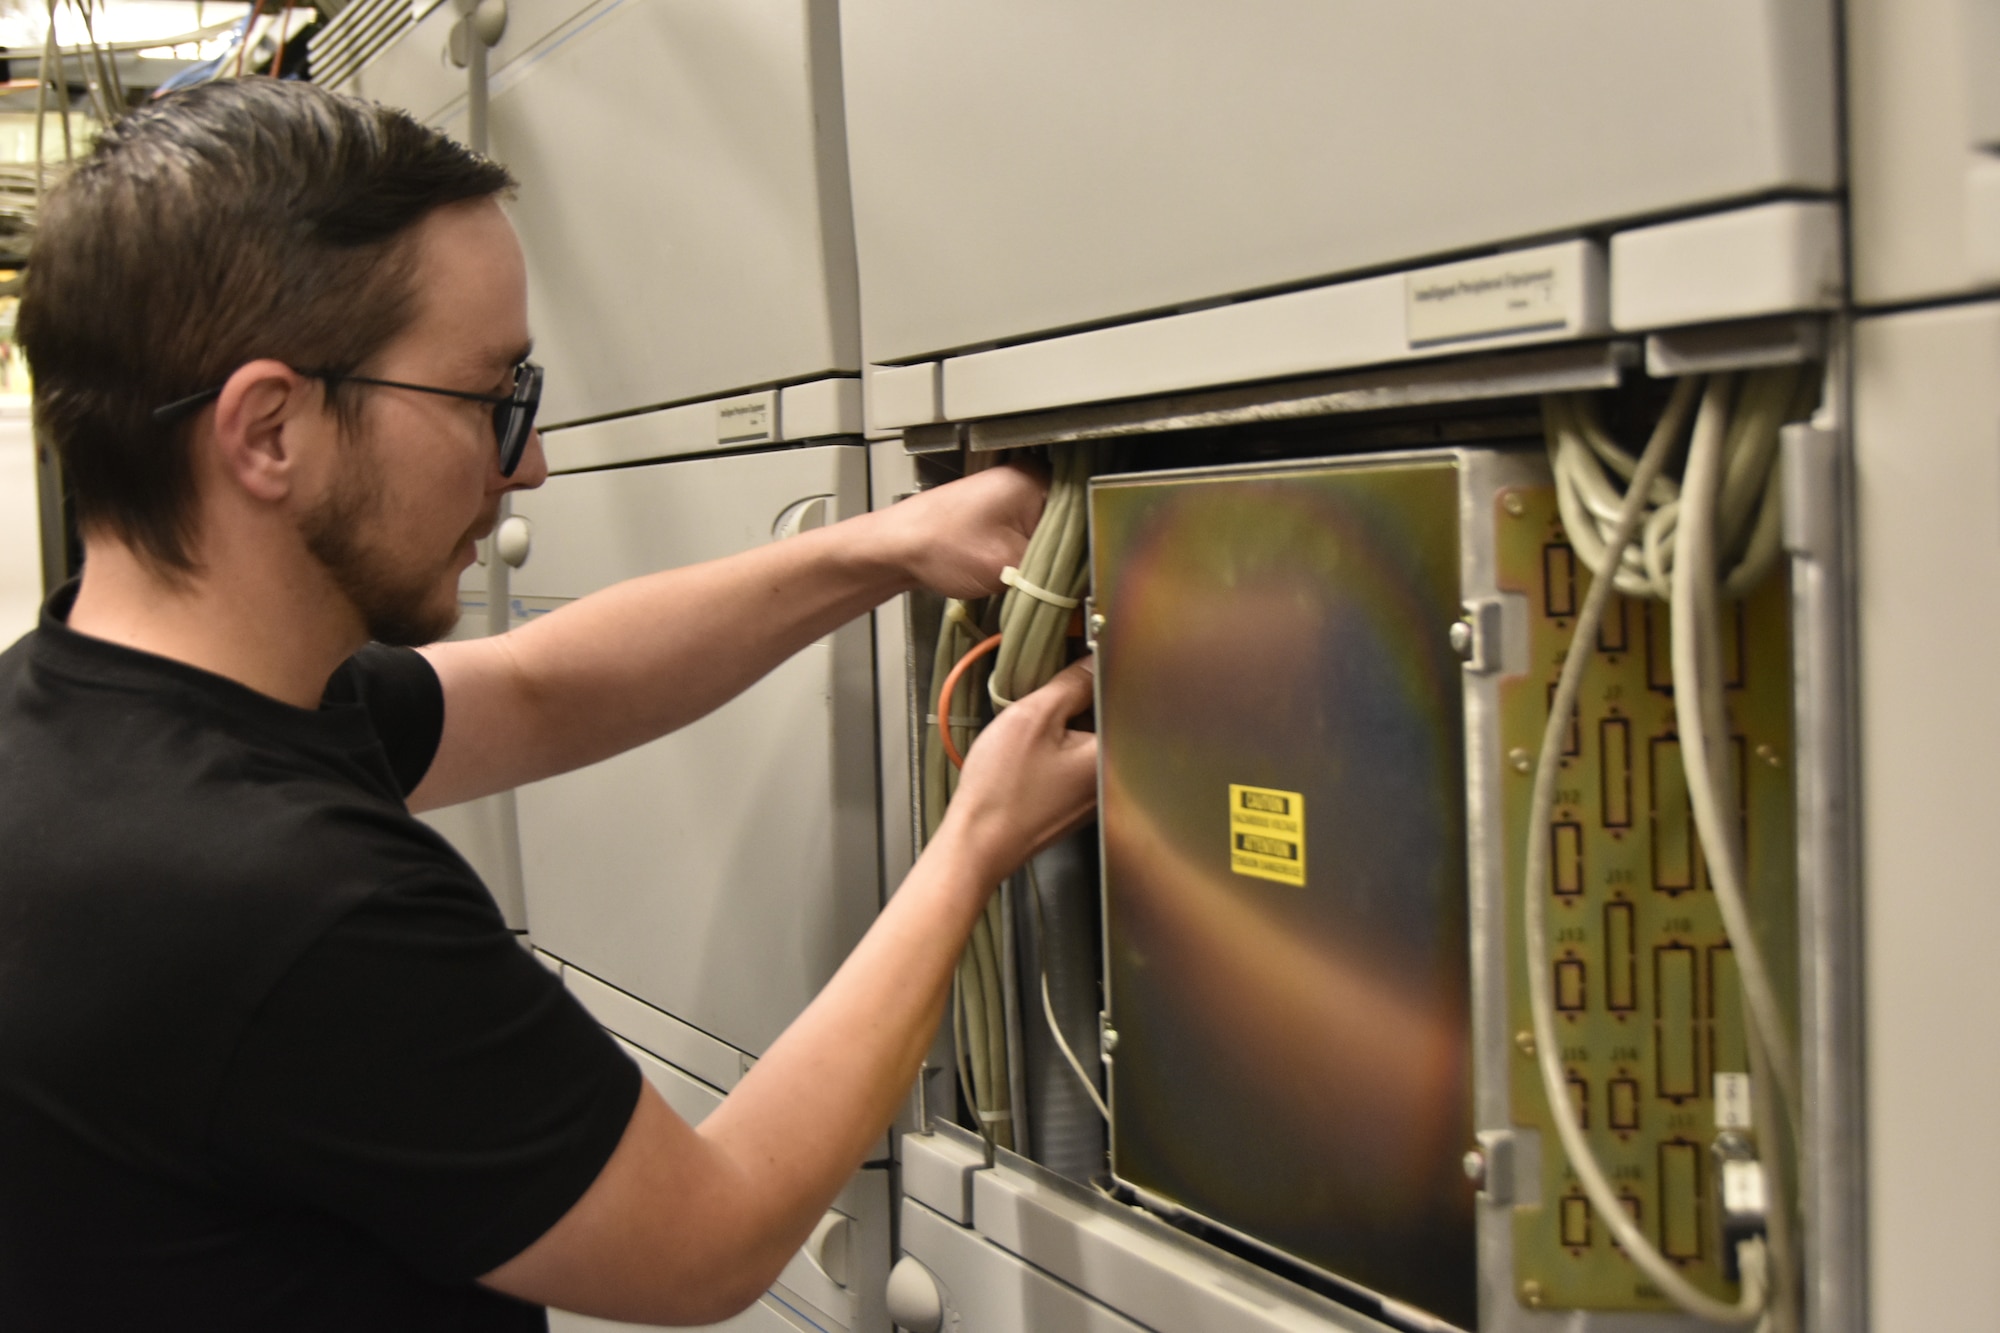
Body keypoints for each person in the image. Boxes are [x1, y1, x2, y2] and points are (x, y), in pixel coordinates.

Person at [0, 78, 1097, 1329]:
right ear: (269, 430)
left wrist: (883, 545)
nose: (527, 462)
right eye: (489, 399)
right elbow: (706, 1236)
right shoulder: (288, 905)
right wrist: (974, 843)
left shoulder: (89, 721)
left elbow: (534, 687)